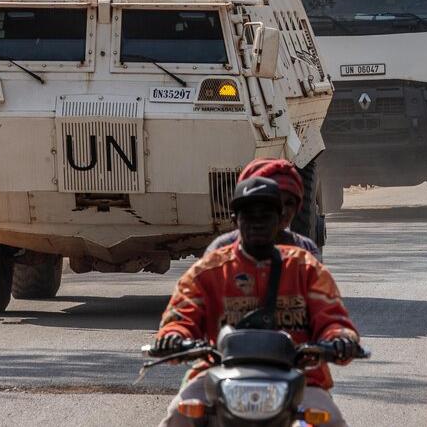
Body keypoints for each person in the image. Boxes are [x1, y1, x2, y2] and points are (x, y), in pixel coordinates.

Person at [153, 176, 360, 426]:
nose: (257, 222)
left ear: (280, 220)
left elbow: (332, 317)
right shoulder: (208, 271)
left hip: (299, 380)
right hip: (216, 377)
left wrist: (340, 339)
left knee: (331, 421)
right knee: (179, 415)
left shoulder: (306, 268)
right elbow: (181, 316)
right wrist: (173, 336)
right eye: (249, 214)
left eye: (266, 214)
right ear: (235, 220)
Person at [204, 158, 321, 260]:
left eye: (289, 203)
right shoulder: (219, 253)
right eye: (274, 202)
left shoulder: (306, 253)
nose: (283, 211)